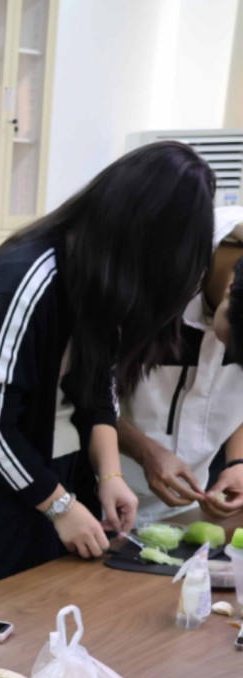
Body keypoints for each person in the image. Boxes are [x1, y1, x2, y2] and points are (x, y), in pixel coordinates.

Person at [0, 141, 216, 592]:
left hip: (48, 481)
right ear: (139, 237)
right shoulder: (28, 278)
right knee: (12, 614)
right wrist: (59, 506)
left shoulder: (100, 279)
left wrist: (110, 476)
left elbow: (99, 391)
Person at [117, 206, 243, 529]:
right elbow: (83, 395)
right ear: (231, 294)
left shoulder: (232, 306)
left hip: (190, 509)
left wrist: (238, 461)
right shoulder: (152, 277)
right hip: (103, 499)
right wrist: (144, 451)